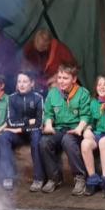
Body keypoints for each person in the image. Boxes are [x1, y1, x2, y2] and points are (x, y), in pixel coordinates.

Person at [37, 65, 91, 194]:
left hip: (75, 128)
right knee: (44, 142)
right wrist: (48, 125)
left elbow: (85, 115)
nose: (61, 81)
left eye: (65, 78)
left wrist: (79, 129)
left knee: (68, 140)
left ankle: (80, 178)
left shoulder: (83, 93)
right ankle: (54, 178)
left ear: (74, 79)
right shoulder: (53, 93)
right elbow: (48, 113)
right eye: (59, 77)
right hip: (59, 128)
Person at [5, 71, 46, 192]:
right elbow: (11, 122)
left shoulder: (38, 98)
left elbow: (39, 122)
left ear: (32, 83)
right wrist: (28, 123)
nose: (21, 84)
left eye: (25, 81)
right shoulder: (12, 98)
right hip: (18, 135)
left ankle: (39, 178)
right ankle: (8, 176)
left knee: (36, 137)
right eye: (19, 81)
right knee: (4, 137)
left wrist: (21, 127)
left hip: (33, 132)